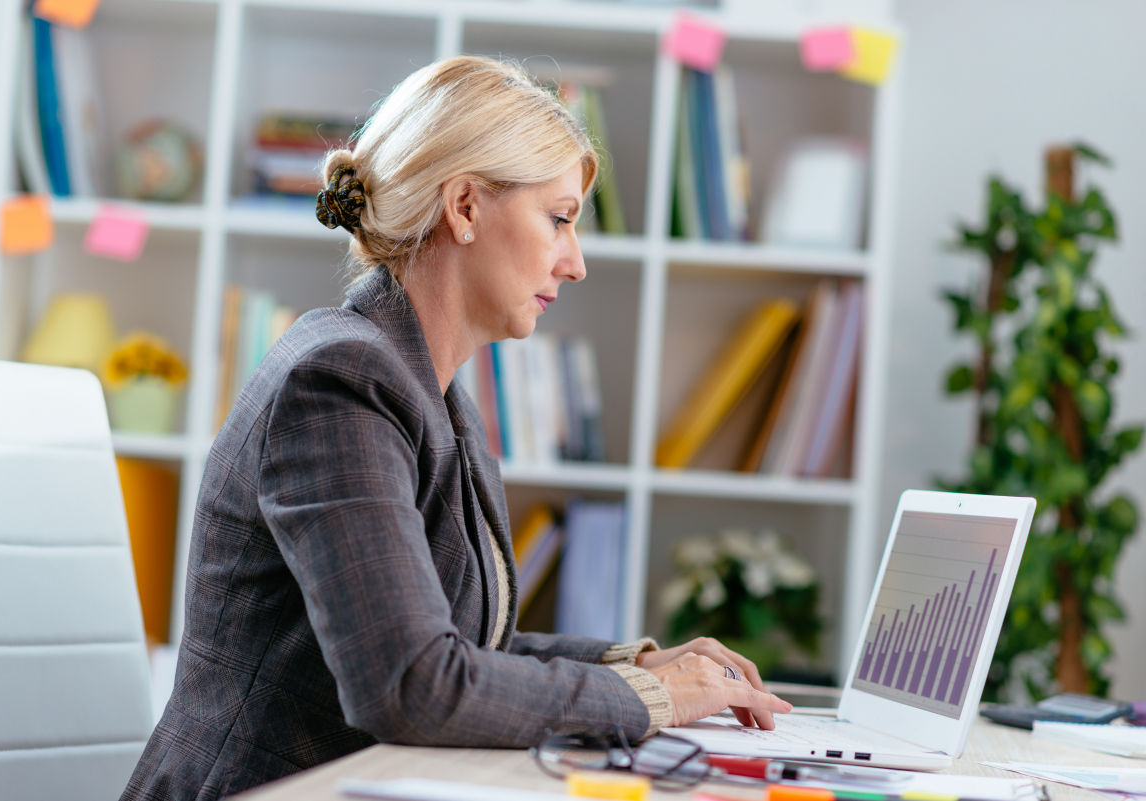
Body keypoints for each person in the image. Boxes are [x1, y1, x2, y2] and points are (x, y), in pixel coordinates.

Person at [121, 55, 791, 801]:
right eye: (560, 219)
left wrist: (633, 666)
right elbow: (411, 682)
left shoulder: (427, 389)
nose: (575, 263)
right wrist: (653, 702)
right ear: (465, 206)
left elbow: (460, 644)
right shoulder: (338, 381)